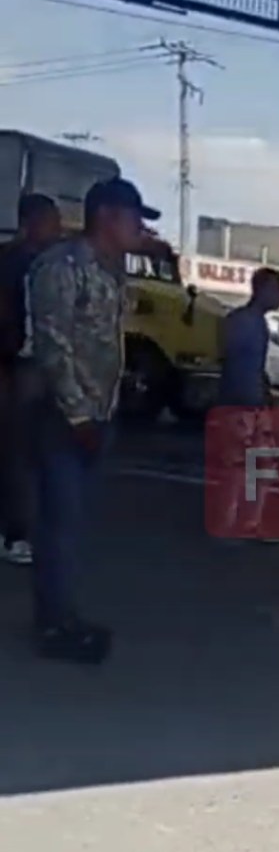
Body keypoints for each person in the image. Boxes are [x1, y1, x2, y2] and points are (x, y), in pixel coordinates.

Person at [29, 174, 159, 662]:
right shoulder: (63, 266)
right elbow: (53, 344)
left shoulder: (110, 268)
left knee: (72, 521)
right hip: (66, 415)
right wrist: (80, 416)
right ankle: (55, 624)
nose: (139, 228)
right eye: (134, 218)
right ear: (106, 216)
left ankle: (60, 613)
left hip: (95, 414)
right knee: (60, 521)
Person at [0, 191, 62, 566]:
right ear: (33, 221)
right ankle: (16, 533)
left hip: (21, 361)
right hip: (18, 363)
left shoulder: (26, 260)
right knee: (19, 451)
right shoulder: (23, 263)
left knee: (19, 450)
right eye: (52, 220)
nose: (57, 228)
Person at [217, 265, 279, 540]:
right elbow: (231, 362)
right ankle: (231, 523)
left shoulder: (254, 322)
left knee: (259, 466)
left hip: (252, 405)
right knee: (239, 468)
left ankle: (244, 523)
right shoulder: (244, 322)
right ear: (265, 290)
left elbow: (251, 366)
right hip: (240, 406)